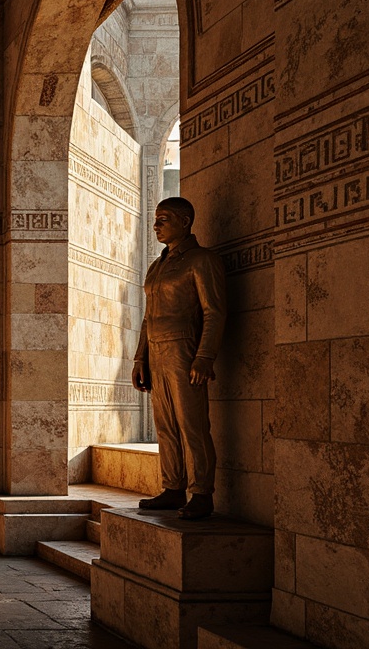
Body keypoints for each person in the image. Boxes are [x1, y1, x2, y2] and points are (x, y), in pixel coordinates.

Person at [131, 197, 227, 521]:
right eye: (156, 219)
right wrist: (138, 358)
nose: (156, 225)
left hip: (185, 349)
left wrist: (204, 356)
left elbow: (214, 311)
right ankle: (173, 487)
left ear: (185, 222)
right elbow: (148, 317)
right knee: (165, 425)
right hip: (157, 351)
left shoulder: (201, 260)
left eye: (164, 219)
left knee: (192, 424)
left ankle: (201, 492)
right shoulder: (157, 266)